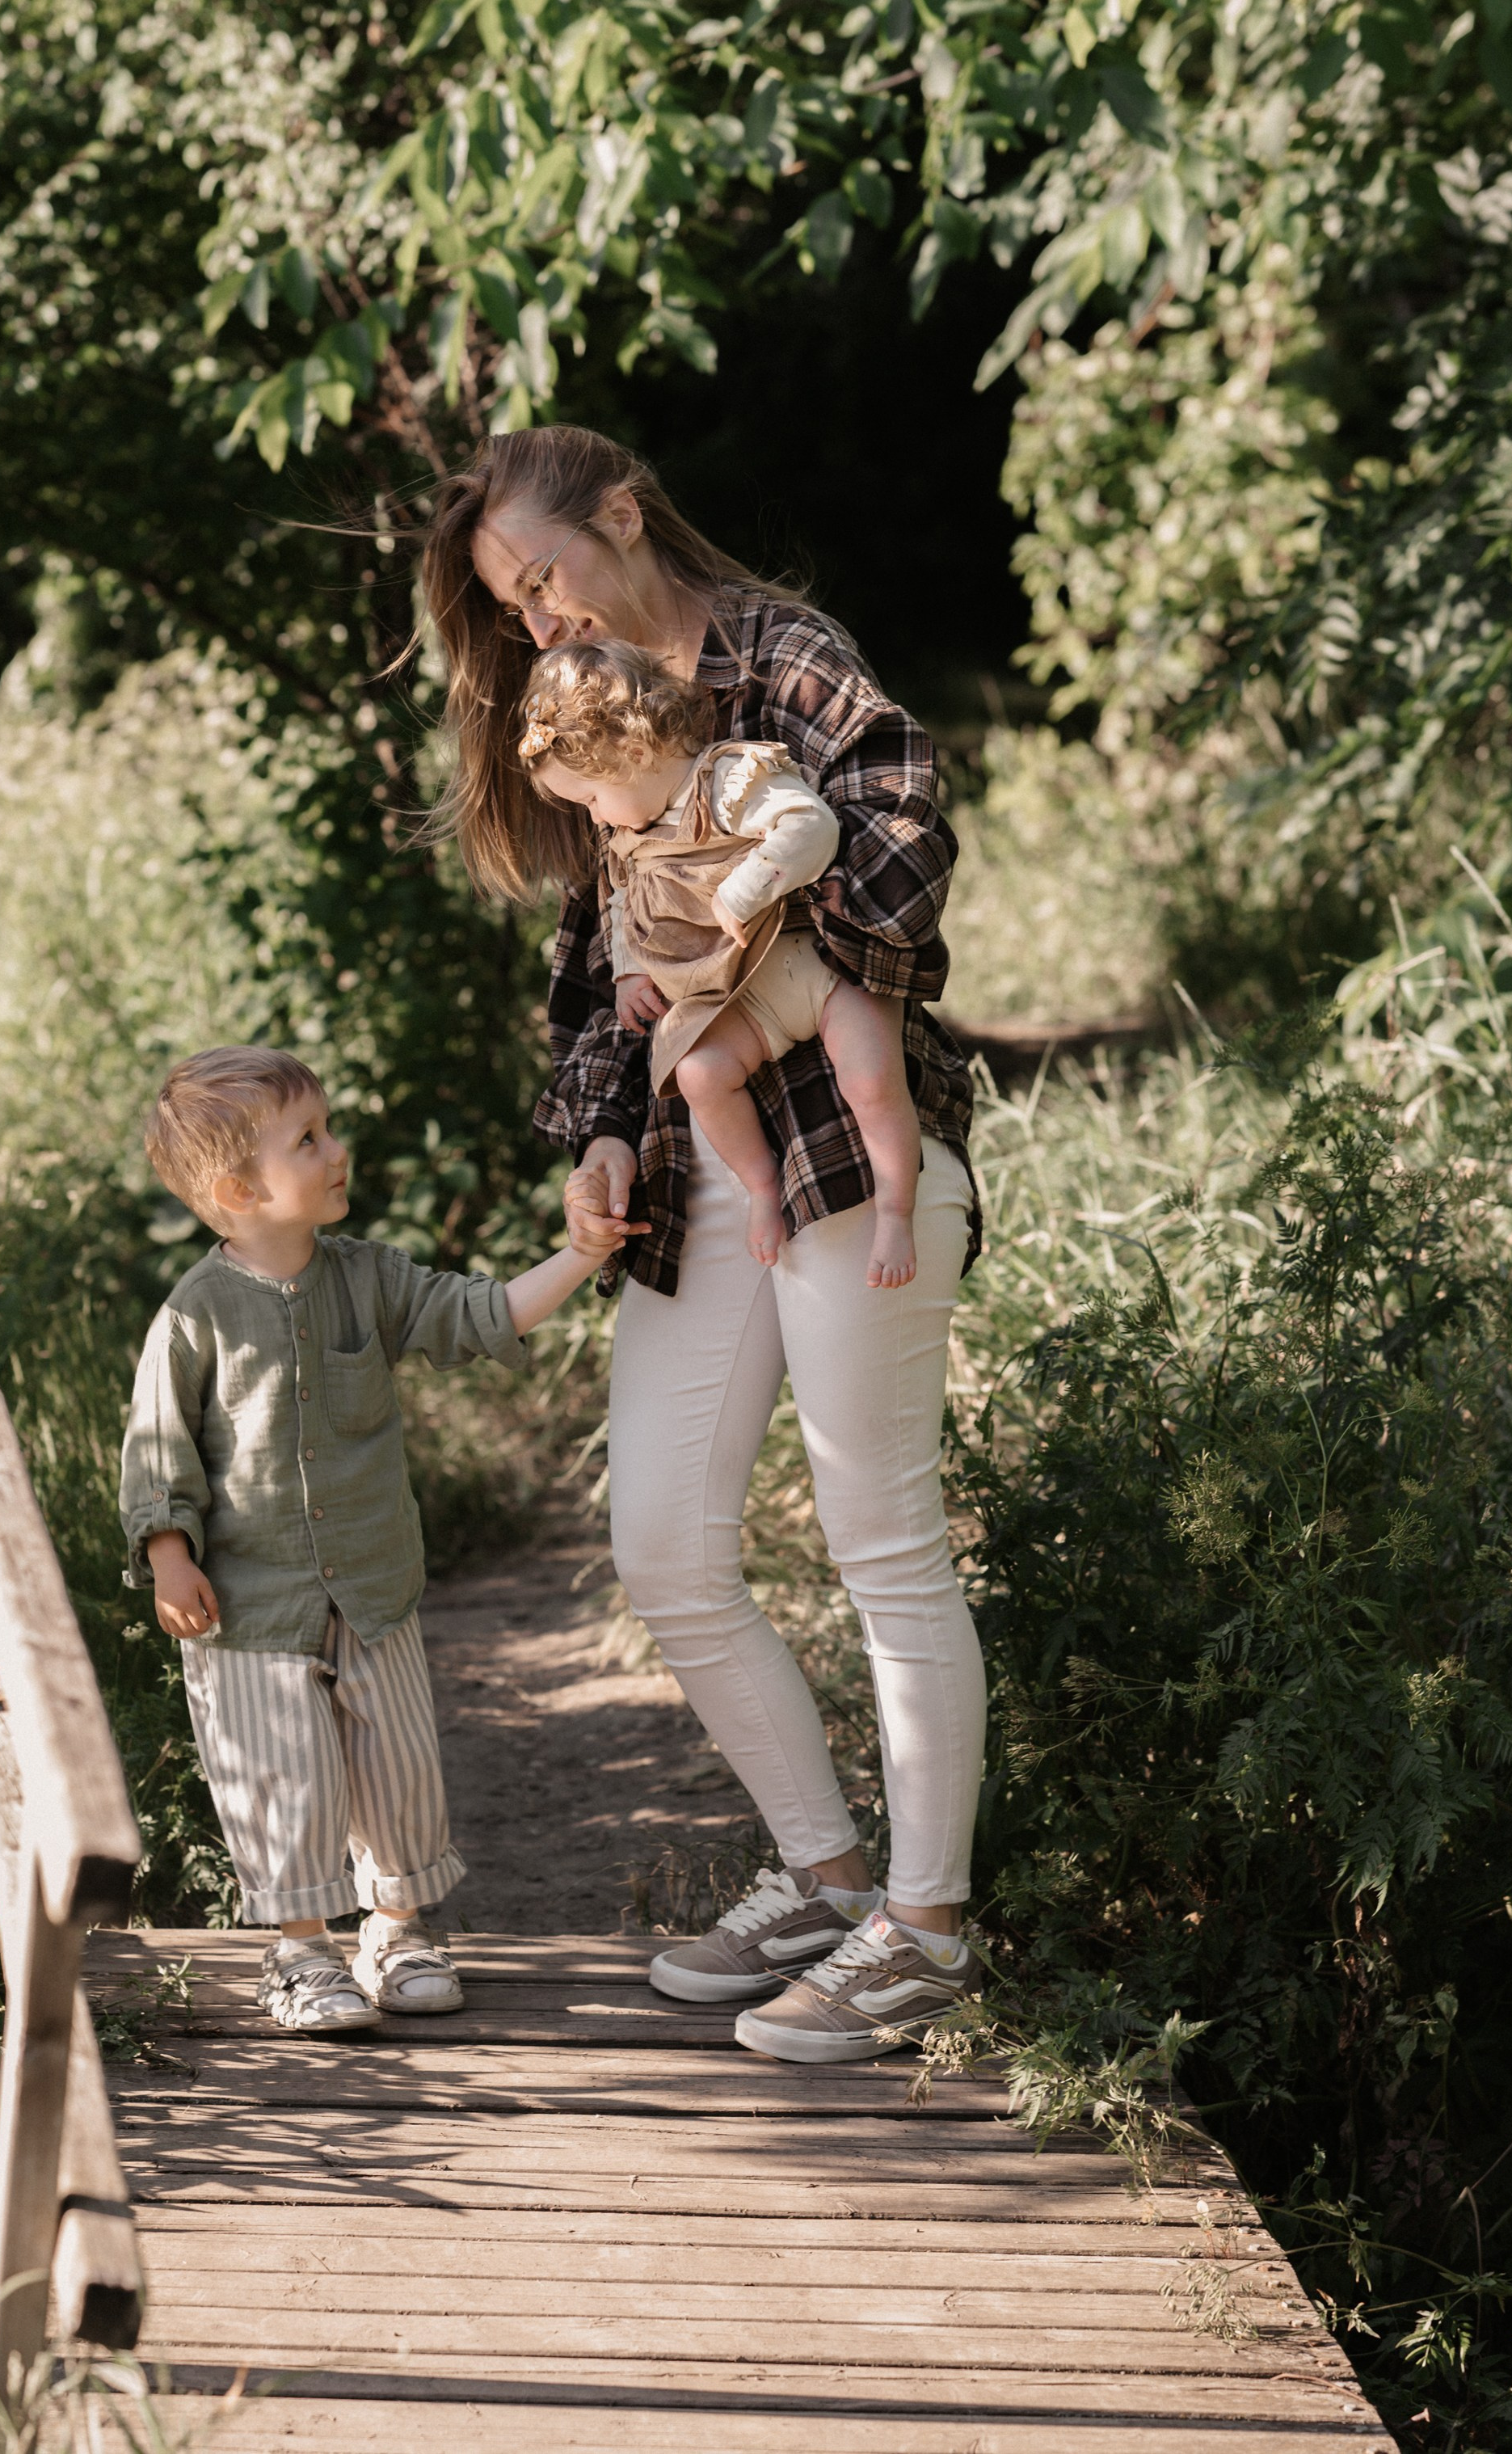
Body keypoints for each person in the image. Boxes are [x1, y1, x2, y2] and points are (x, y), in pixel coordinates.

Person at [419, 426, 987, 2064]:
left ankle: (927, 1927)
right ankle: (825, 1876)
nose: (539, 619)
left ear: (620, 514)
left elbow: (898, 862)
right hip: (697, 1156)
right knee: (665, 1537)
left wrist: (736, 915)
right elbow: (605, 956)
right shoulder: (586, 713)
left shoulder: (783, 659)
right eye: (510, 605)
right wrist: (605, 1117)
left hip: (839, 1141)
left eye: (544, 576)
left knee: (884, 1541)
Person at [118, 1044, 622, 2034]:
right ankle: (300, 1948)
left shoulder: (370, 1279)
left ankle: (397, 1927)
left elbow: (478, 1313)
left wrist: (585, 1255)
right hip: (251, 1605)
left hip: (374, 1585)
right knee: (279, 1768)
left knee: (396, 1760)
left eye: (327, 1126)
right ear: (236, 1187)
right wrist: (167, 1551)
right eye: (308, 1138)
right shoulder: (193, 1317)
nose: (336, 1148)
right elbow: (157, 1448)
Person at [515, 638, 923, 1286]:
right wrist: (627, 968)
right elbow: (623, 906)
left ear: (637, 753)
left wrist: (748, 885)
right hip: (744, 998)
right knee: (701, 1071)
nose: (593, 817)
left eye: (590, 799)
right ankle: (761, 1185)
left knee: (870, 1079)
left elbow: (810, 827)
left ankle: (897, 1211)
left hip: (817, 967)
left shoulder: (726, 780)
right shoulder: (629, 837)